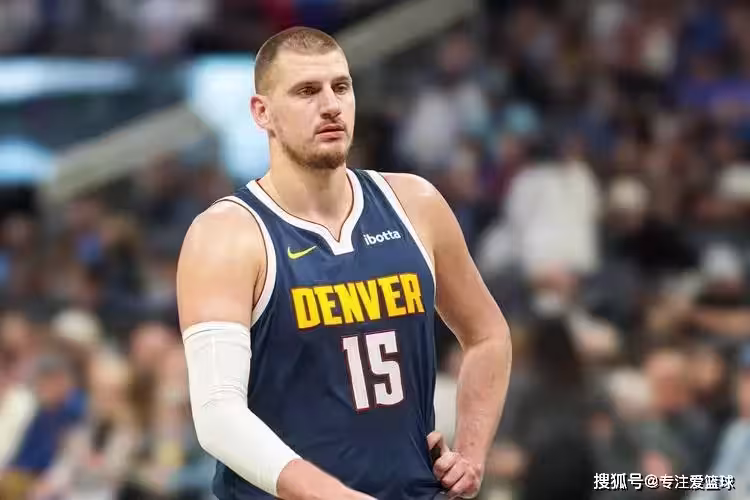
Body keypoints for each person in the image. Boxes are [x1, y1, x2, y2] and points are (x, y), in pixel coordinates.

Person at [176, 26, 512, 500]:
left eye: (341, 87)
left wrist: (471, 455)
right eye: (306, 91)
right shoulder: (226, 234)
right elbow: (218, 415)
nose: (331, 105)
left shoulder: (415, 203)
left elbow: (487, 335)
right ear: (262, 112)